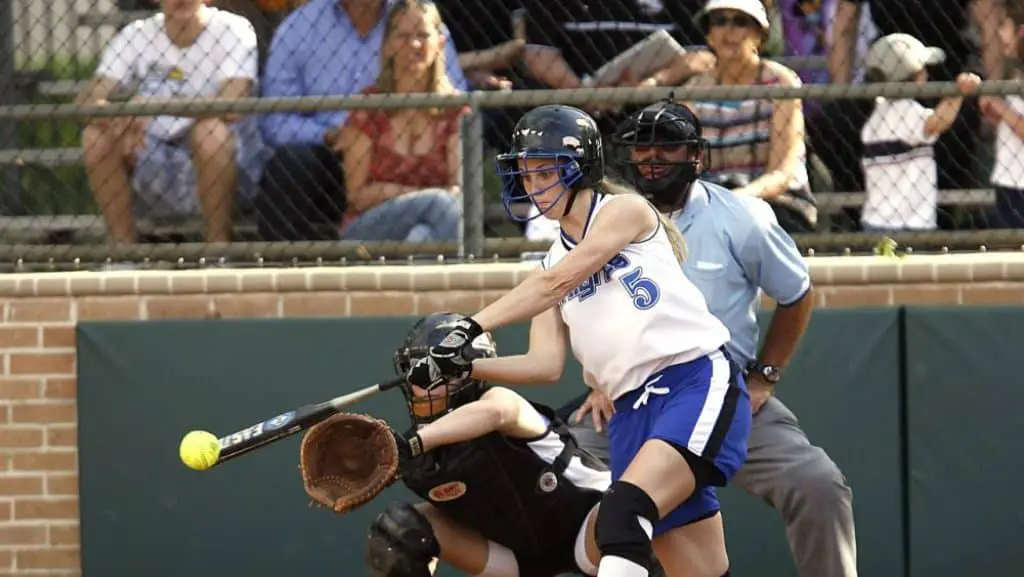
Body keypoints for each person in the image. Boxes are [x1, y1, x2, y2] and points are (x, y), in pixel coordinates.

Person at [404, 104, 752, 577]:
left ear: (582, 167)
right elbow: (545, 364)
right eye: (526, 172)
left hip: (691, 380)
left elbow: (556, 284)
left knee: (622, 519)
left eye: (547, 169)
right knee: (699, 569)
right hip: (631, 409)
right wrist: (464, 367)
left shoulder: (624, 212)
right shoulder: (549, 263)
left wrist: (469, 329)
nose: (534, 182)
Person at [562, 99, 857, 577]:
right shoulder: (600, 222)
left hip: (726, 390)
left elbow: (796, 293)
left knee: (817, 483)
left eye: (668, 147)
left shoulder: (742, 217)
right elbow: (582, 304)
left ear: (696, 155)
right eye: (642, 148)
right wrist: (601, 378)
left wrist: (765, 375)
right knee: (561, 474)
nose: (652, 159)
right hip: (633, 397)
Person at [367, 312, 612, 577]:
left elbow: (498, 412)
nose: (419, 382)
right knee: (397, 532)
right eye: (415, 369)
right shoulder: (419, 456)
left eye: (432, 371)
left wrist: (414, 444)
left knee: (623, 514)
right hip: (517, 555)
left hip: (584, 522)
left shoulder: (496, 400)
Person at [78, 0, 267, 244]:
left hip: (228, 166)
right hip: (153, 157)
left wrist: (155, 107)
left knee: (210, 132)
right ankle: (123, 252)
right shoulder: (137, 34)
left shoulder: (233, 29)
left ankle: (218, 250)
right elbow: (88, 98)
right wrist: (118, 117)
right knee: (95, 136)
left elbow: (233, 101)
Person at [858, 33, 981, 232]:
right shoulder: (906, 110)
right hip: (909, 225)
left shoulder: (877, 114)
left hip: (875, 222)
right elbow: (936, 123)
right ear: (916, 77)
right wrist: (959, 93)